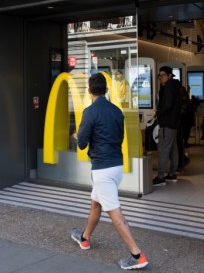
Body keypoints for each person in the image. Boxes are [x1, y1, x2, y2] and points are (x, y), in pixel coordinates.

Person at [70, 73, 149, 270]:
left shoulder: (89, 112)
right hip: (116, 167)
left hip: (102, 169)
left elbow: (82, 144)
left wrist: (76, 135)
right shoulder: (116, 111)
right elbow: (118, 137)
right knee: (96, 204)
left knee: (115, 212)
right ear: (106, 90)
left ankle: (136, 254)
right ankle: (85, 238)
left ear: (89, 92)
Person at [152, 66, 181, 186]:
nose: (161, 78)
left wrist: (158, 112)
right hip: (174, 123)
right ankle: (172, 174)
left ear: (170, 76)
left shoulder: (168, 88)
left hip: (167, 123)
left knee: (163, 149)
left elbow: (167, 105)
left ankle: (160, 176)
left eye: (163, 75)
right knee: (173, 148)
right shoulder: (175, 86)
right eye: (160, 75)